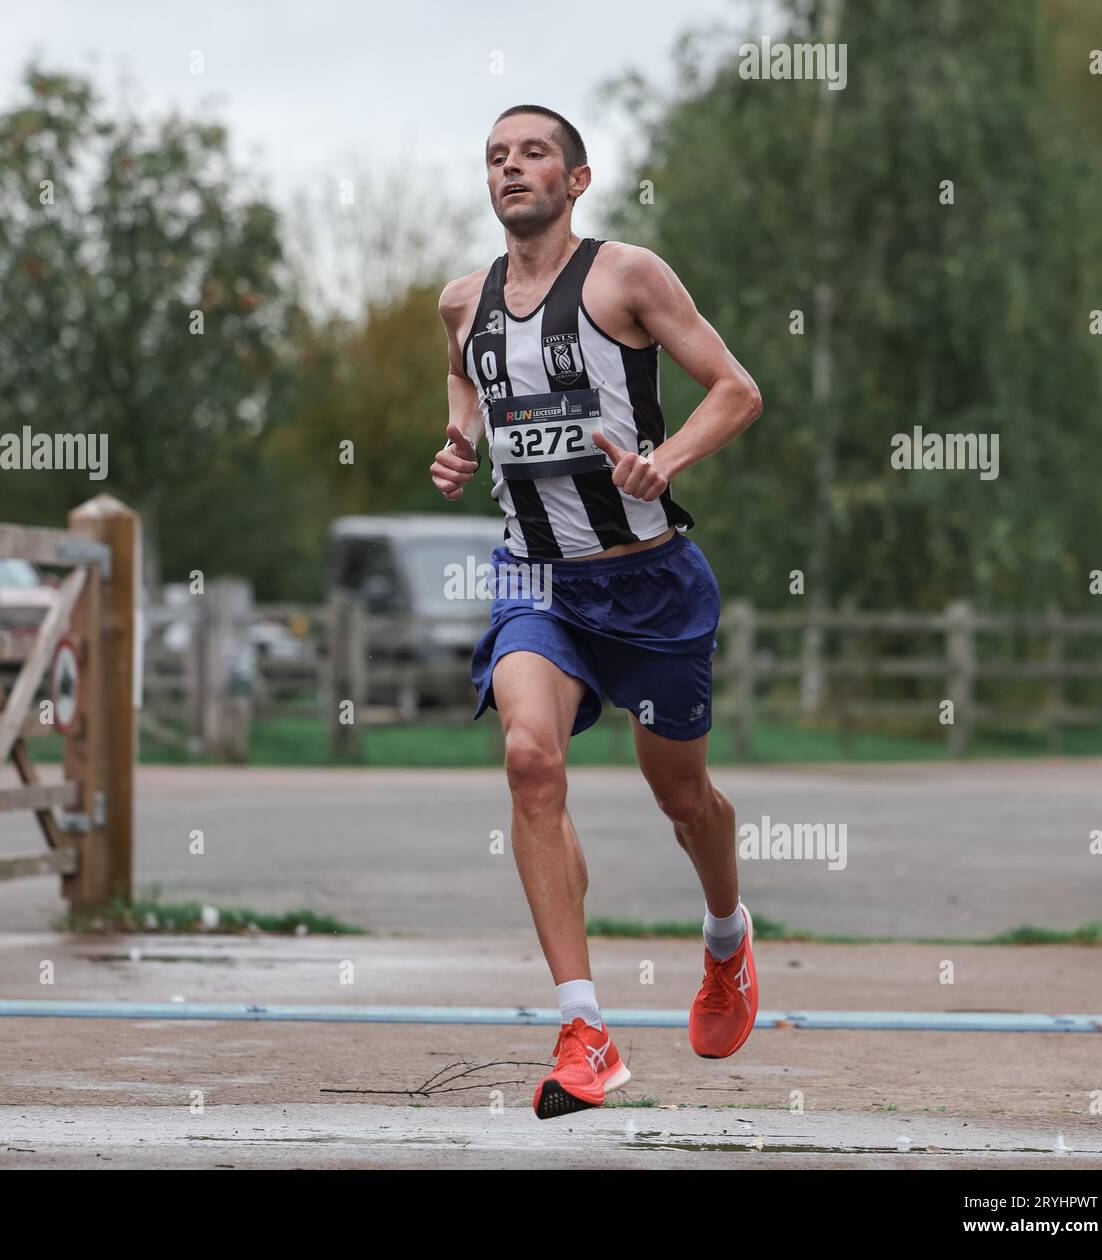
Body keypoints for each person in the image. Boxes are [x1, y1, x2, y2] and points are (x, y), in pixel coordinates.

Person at [431, 104, 763, 1120]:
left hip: (650, 580)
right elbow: (462, 377)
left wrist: (664, 459)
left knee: (684, 802)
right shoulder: (459, 301)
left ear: (576, 180)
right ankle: (585, 1031)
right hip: (537, 579)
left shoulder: (628, 276)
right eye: (495, 156)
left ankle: (725, 939)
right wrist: (457, 439)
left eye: (533, 153)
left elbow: (736, 390)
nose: (511, 168)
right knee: (531, 759)